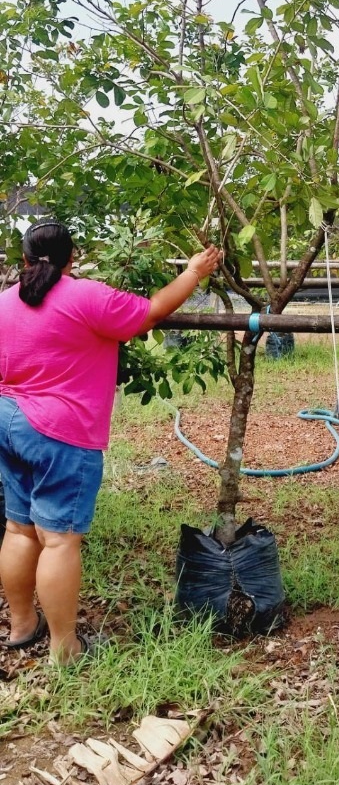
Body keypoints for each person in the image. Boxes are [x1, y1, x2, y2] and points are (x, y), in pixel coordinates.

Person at [0, 220, 220, 665]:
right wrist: (195, 272)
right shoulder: (86, 296)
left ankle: (22, 625)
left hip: (8, 421)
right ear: (73, 257)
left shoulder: (4, 301)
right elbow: (153, 310)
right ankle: (66, 649)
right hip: (59, 431)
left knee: (19, 530)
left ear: (23, 258)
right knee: (60, 541)